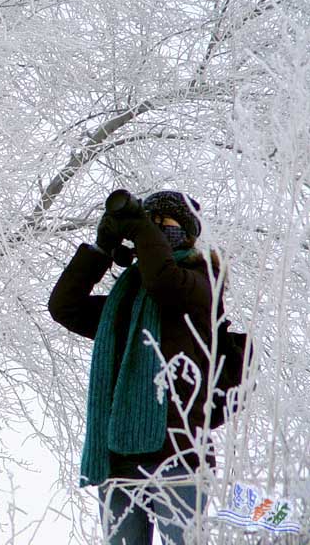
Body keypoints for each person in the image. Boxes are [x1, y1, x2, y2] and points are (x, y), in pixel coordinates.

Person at [48, 190, 226, 545]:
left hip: (177, 452)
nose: (156, 229)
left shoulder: (202, 282)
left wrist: (142, 230)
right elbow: (64, 307)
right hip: (117, 460)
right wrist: (101, 251)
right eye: (150, 221)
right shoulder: (123, 303)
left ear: (187, 234)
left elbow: (164, 283)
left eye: (164, 223)